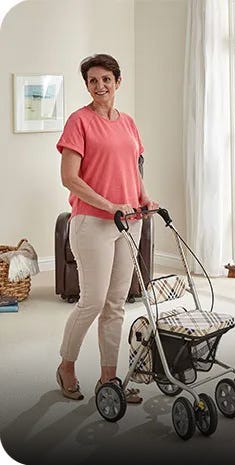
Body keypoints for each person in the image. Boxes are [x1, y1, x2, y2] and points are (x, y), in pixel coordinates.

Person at [55, 53, 158, 402]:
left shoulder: (128, 123)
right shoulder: (79, 121)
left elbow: (134, 169)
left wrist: (145, 198)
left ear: (117, 82)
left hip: (130, 222)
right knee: (93, 302)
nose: (100, 86)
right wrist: (109, 204)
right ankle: (66, 365)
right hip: (92, 222)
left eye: (106, 79)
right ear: (87, 85)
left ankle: (109, 379)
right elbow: (70, 178)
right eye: (93, 81)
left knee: (116, 303)